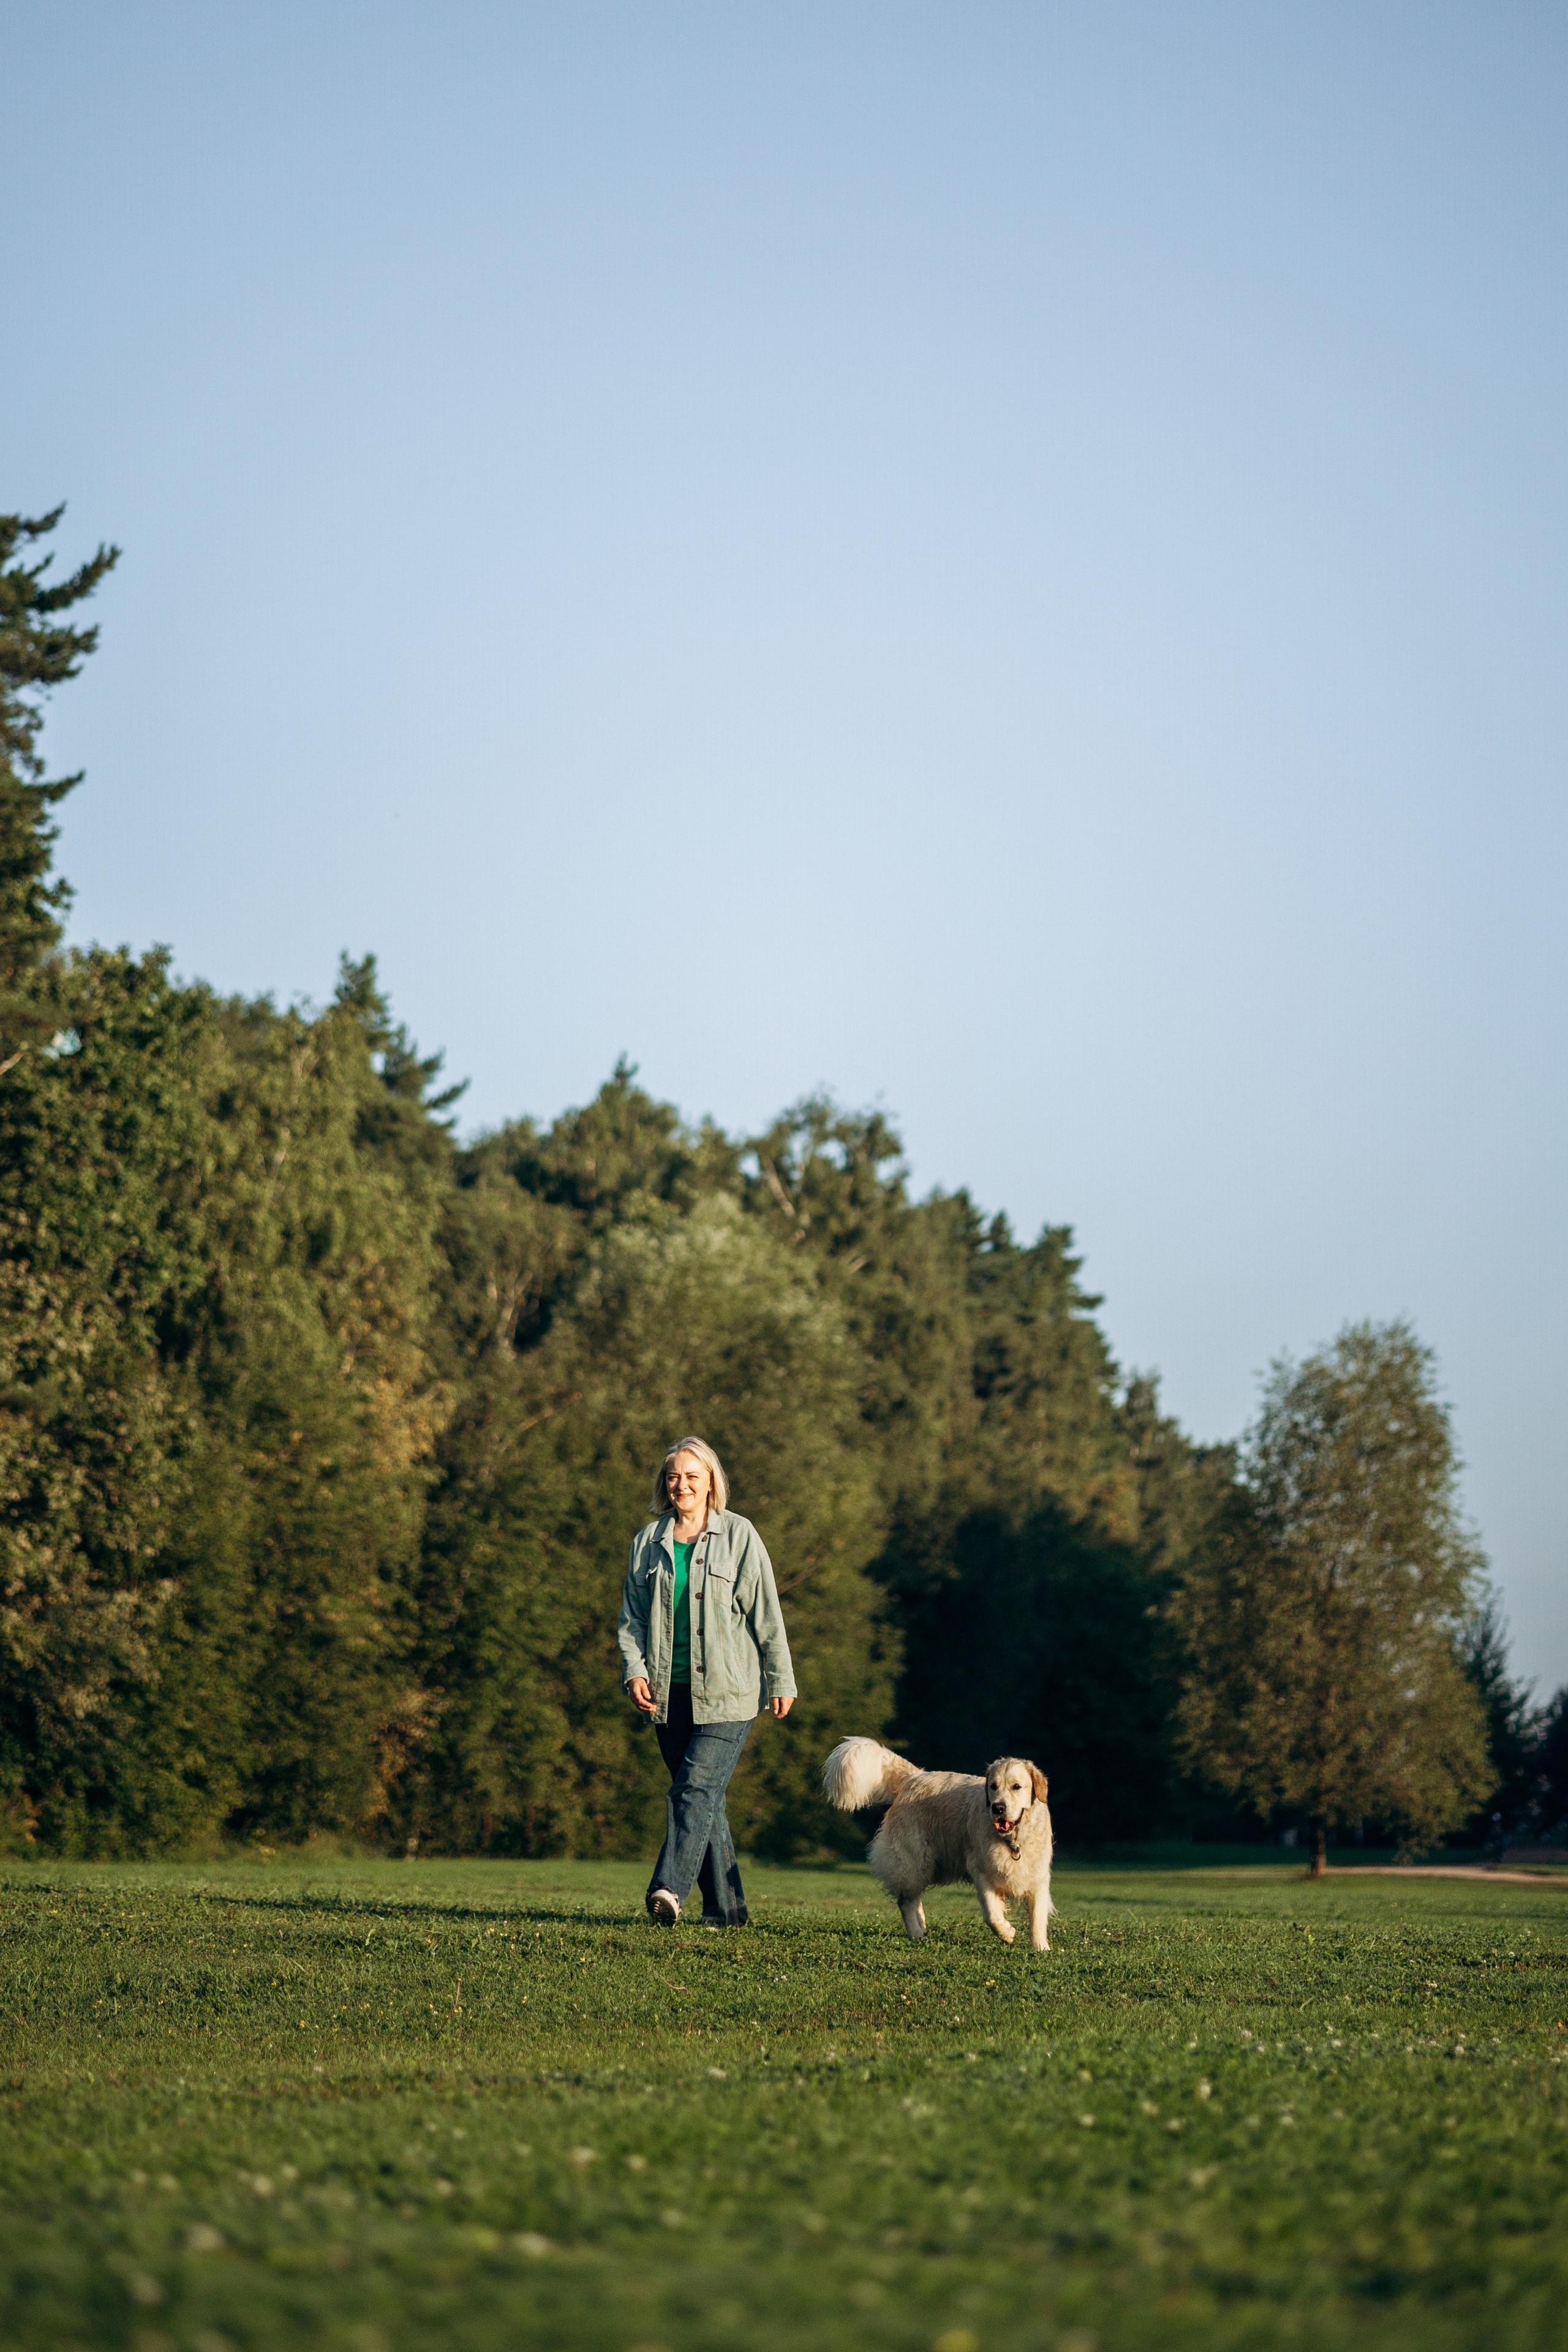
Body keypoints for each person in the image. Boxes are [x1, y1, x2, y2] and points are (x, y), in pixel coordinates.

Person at [617, 1437, 796, 1927]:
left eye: (693, 1476)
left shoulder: (740, 1536)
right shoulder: (646, 1543)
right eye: (674, 1476)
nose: (682, 1485)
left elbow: (766, 1614)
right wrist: (633, 1671)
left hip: (729, 1695)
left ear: (711, 1482)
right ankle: (727, 1913)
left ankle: (668, 1888)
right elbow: (631, 1620)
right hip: (666, 1697)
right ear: (664, 1483)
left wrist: (781, 1678)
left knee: (691, 1792)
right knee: (705, 1802)